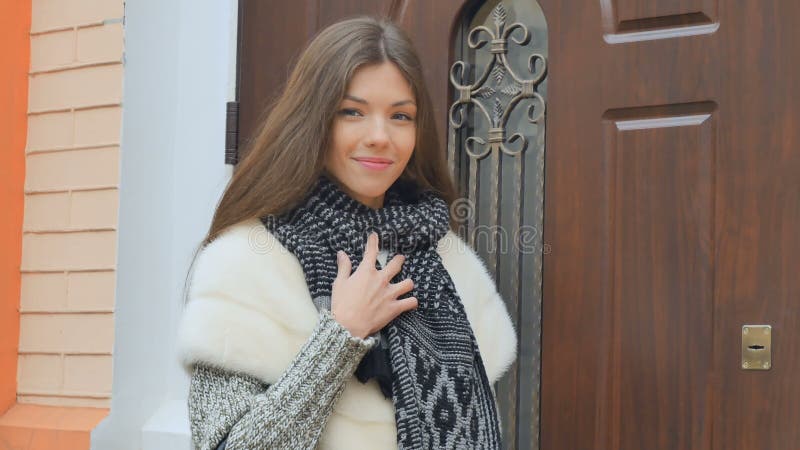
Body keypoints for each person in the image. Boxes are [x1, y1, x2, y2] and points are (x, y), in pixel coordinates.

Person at [176, 16, 517, 450]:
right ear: (314, 120)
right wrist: (340, 336)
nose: (380, 136)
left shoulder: (448, 261)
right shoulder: (247, 263)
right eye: (352, 112)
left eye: (401, 116)